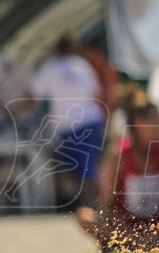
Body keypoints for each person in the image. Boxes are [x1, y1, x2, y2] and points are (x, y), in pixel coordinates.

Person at [76, 91, 159, 252]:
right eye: (155, 120)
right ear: (138, 123)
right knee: (85, 216)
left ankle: (146, 243)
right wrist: (121, 227)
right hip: (127, 225)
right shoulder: (118, 155)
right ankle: (131, 243)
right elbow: (106, 203)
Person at [29, 32, 107, 208]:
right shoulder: (82, 66)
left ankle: (96, 204)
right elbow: (97, 93)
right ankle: (94, 203)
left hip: (69, 127)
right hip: (90, 121)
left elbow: (33, 95)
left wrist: (12, 109)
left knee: (80, 168)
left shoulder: (50, 68)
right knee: (86, 167)